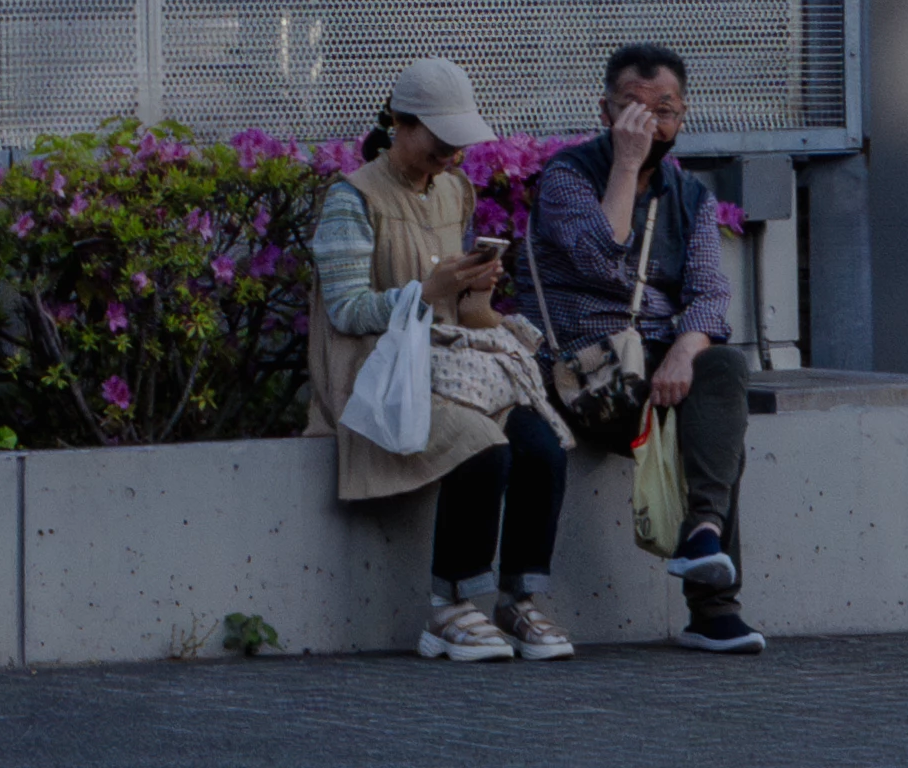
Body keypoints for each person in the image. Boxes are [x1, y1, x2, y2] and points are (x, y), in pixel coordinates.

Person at [310, 54, 575, 662]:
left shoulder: (455, 188)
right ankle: (449, 607)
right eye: (441, 141)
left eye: (460, 142)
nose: (453, 155)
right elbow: (346, 312)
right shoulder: (350, 198)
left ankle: (518, 598)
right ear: (399, 124)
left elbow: (462, 310)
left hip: (453, 365)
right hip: (378, 374)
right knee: (481, 444)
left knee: (542, 445)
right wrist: (426, 293)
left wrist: (480, 293)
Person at [508, 41, 765, 654]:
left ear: (684, 115)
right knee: (716, 437)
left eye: (665, 109)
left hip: (654, 369)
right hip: (582, 374)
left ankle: (702, 535)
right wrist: (626, 165)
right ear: (605, 111)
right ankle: (713, 608)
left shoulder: (693, 198)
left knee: (722, 367)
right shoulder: (568, 177)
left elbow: (708, 295)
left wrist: (684, 350)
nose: (650, 123)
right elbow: (602, 255)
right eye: (633, 108)